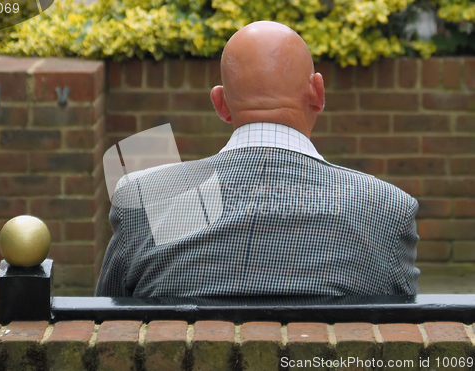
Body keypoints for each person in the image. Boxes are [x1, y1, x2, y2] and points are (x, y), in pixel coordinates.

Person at [96, 21, 420, 297]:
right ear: (317, 93)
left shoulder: (142, 197)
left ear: (220, 104)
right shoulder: (388, 209)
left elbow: (104, 328)